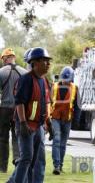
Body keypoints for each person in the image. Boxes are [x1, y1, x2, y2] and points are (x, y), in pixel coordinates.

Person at [8, 47, 52, 183]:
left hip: (38, 126)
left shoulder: (44, 81)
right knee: (26, 158)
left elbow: (45, 104)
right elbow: (19, 102)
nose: (48, 64)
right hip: (26, 126)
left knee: (34, 160)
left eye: (48, 61)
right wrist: (22, 123)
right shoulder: (26, 80)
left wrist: (48, 125)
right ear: (36, 63)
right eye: (45, 61)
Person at [0, 48, 27, 172]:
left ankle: (3, 166)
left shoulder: (1, 72)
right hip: (19, 109)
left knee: (3, 138)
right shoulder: (24, 72)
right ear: (14, 58)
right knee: (17, 136)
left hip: (4, 109)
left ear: (5, 59)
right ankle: (17, 160)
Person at [51, 66, 81, 175]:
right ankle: (56, 166)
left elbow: (78, 106)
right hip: (55, 118)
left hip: (67, 119)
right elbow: (48, 102)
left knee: (63, 144)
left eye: (67, 80)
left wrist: (76, 122)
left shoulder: (75, 88)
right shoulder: (54, 87)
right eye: (64, 79)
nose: (65, 82)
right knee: (57, 140)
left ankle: (61, 166)